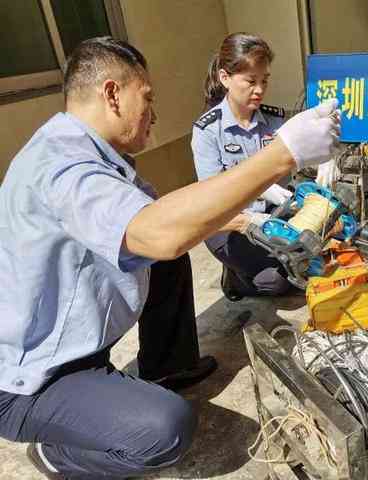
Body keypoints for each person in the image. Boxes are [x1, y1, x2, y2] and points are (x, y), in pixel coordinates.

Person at [0, 36, 339, 480]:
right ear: (111, 94)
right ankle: (57, 456)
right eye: (147, 98)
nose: (154, 114)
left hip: (76, 348)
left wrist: (269, 208)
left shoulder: (94, 155)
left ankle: (168, 366)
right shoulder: (64, 166)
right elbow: (159, 232)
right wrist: (283, 155)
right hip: (32, 380)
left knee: (167, 256)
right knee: (165, 430)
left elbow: (171, 216)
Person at [191, 33, 336, 301]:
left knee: (312, 262)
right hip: (230, 224)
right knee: (277, 281)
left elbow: (314, 133)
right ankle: (234, 280)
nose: (259, 89)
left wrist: (328, 156)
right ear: (225, 78)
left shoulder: (274, 120)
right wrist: (252, 219)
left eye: (264, 81)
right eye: (250, 81)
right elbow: (211, 203)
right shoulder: (208, 131)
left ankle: (268, 260)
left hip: (274, 214)